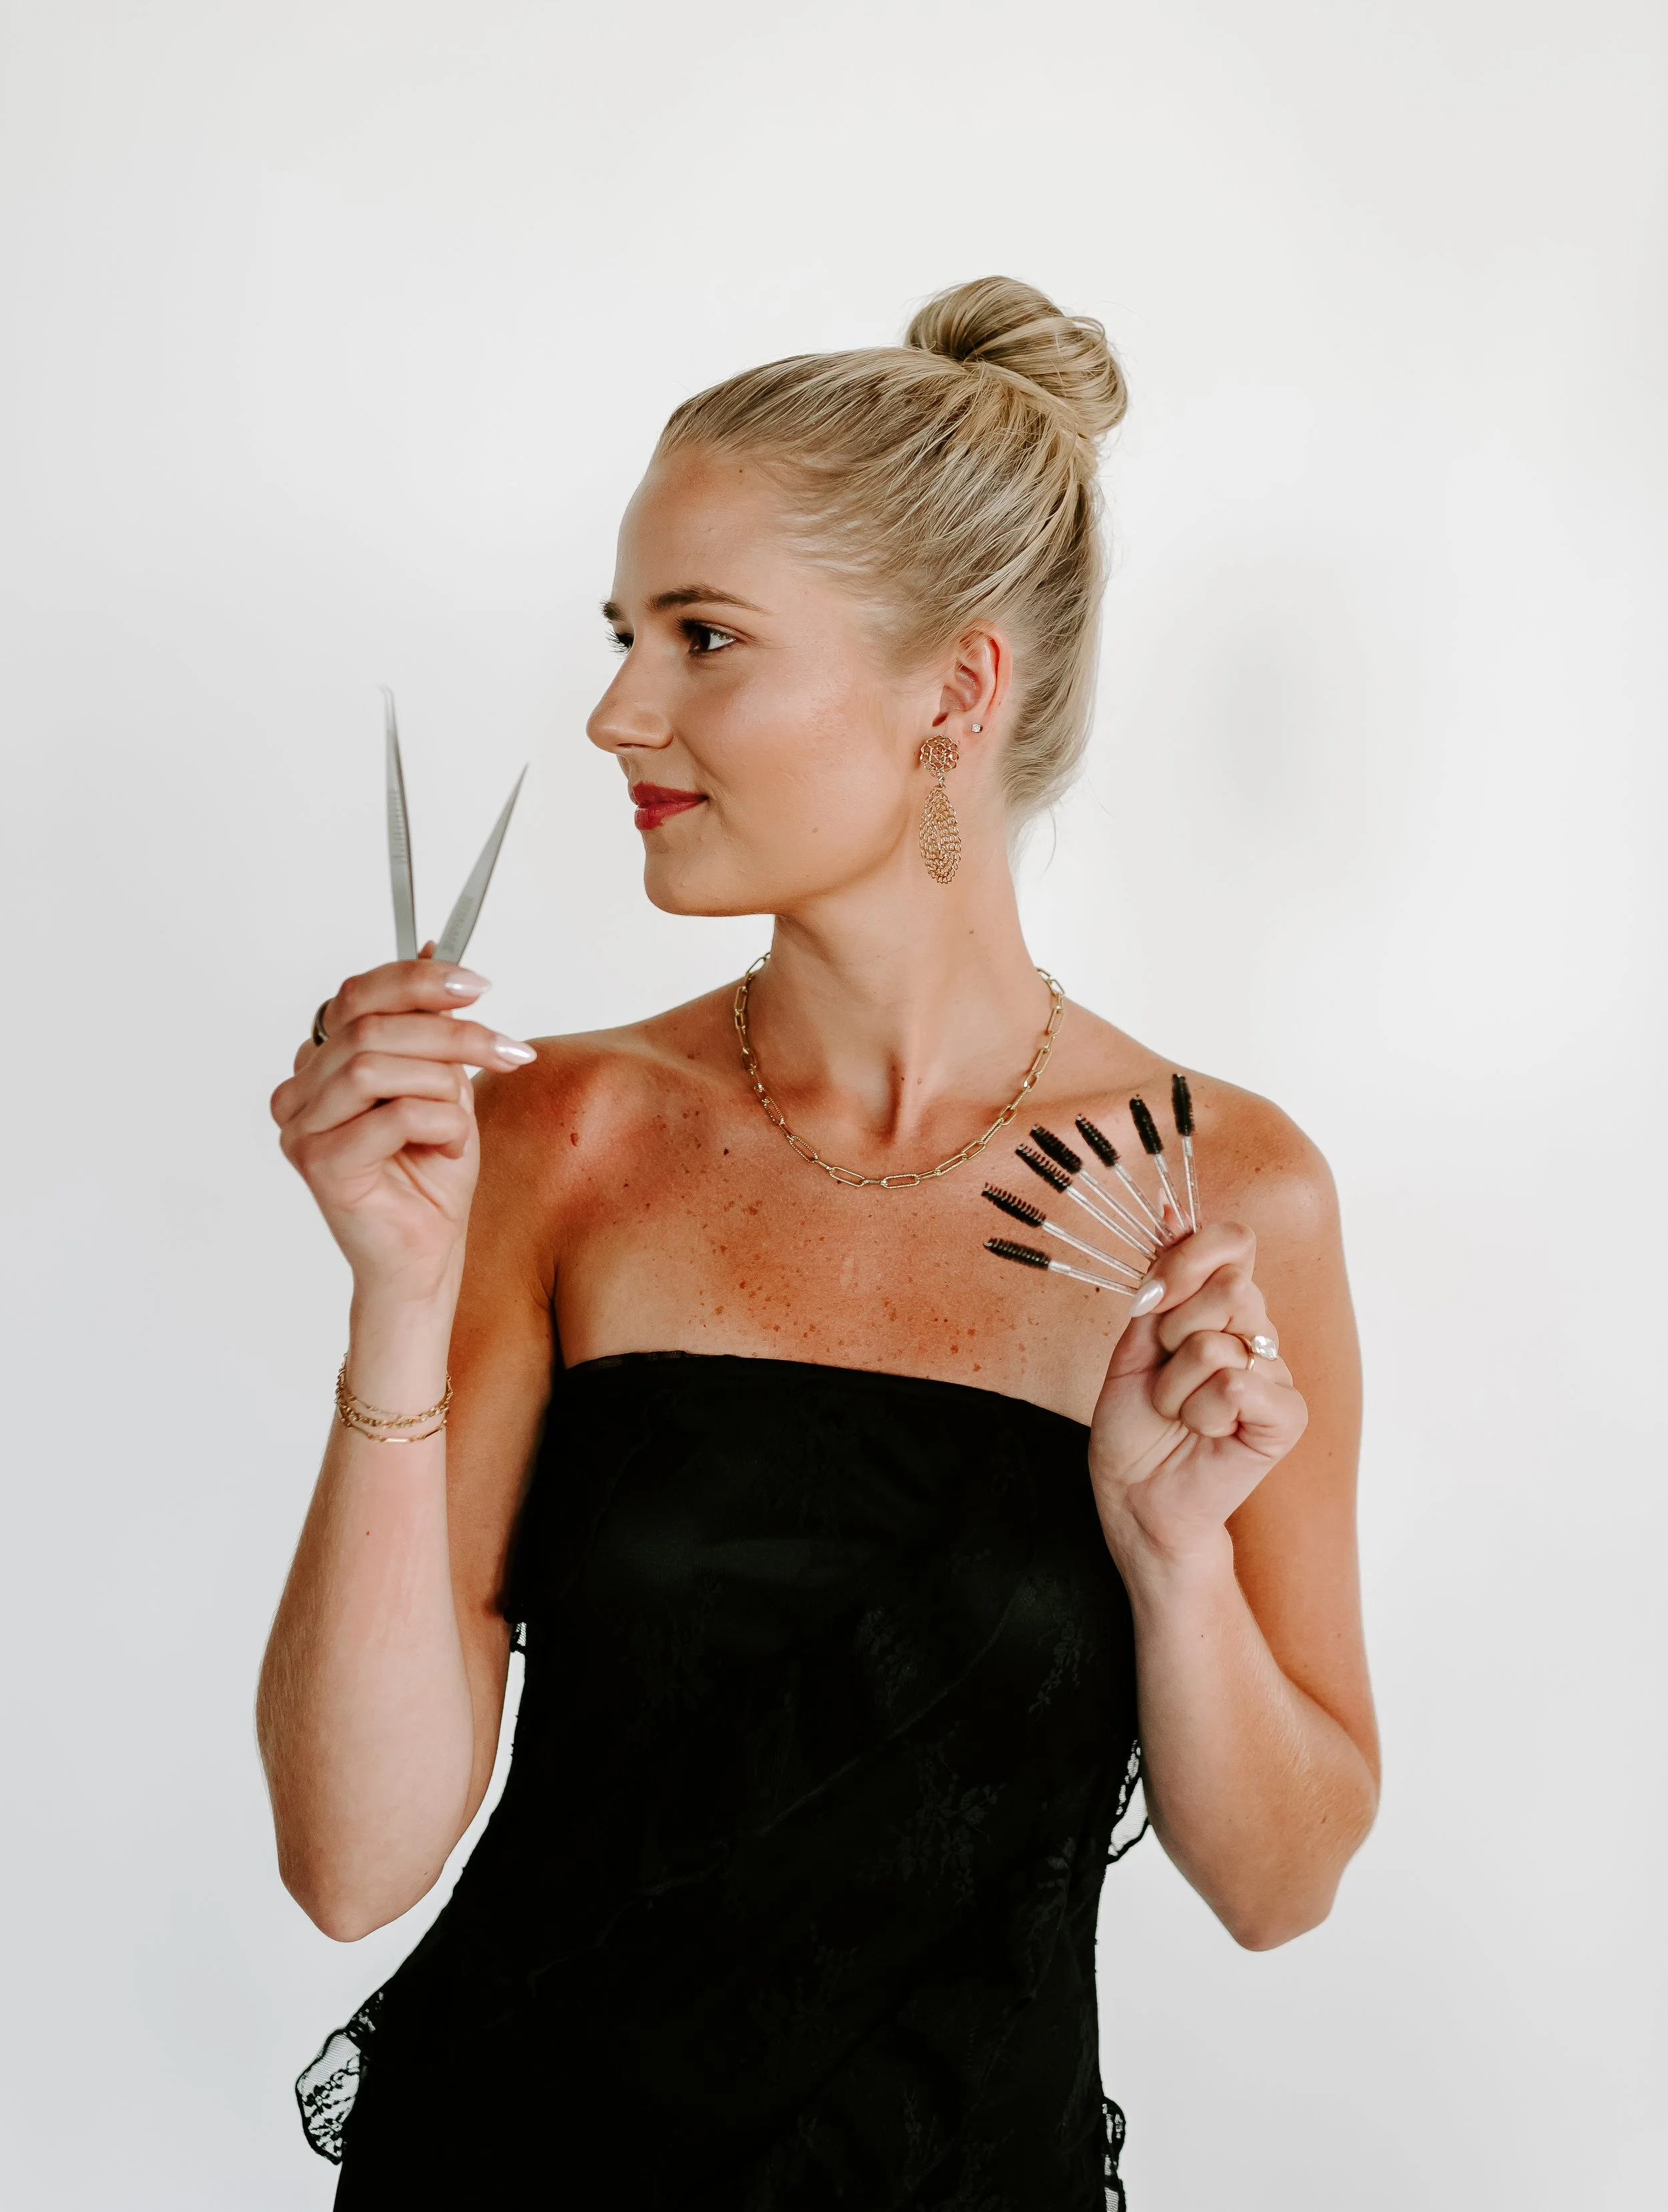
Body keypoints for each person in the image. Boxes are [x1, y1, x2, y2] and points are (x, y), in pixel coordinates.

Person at [260, 277, 1379, 2209]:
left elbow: (1280, 1887)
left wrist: (1172, 1562)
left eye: (704, 639)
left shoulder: (1228, 1194)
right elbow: (352, 1860)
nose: (619, 711)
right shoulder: (564, 1138)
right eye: (624, 637)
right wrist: (394, 1299)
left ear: (953, 689)